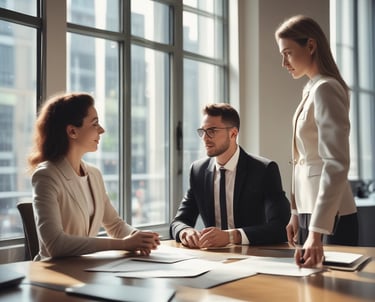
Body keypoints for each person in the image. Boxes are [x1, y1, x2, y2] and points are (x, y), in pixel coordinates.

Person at [28, 92, 160, 260]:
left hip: (87, 271)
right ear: (72, 131)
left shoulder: (94, 174)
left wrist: (139, 237)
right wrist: (124, 244)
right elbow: (55, 244)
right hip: (55, 275)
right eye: (95, 123)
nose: (102, 130)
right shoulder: (47, 176)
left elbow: (114, 225)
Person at [275, 15, 358, 268]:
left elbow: (336, 163)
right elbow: (302, 159)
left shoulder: (326, 89)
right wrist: (295, 213)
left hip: (329, 217)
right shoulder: (311, 88)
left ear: (311, 46)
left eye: (287, 53)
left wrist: (316, 230)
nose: (283, 62)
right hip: (309, 213)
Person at [170, 103, 290, 249]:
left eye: (212, 131)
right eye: (203, 131)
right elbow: (178, 222)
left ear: (233, 133)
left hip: (255, 256)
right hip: (212, 256)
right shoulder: (198, 171)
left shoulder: (264, 170)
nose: (205, 138)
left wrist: (231, 236)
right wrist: (185, 231)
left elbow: (281, 227)